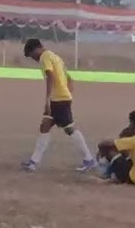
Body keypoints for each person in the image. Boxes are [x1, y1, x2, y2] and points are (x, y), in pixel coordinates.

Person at [20, 38, 97, 172]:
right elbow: (69, 77)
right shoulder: (56, 57)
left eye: (32, 55)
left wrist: (48, 99)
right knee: (45, 126)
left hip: (58, 100)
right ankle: (33, 162)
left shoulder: (45, 57)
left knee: (69, 129)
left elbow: (50, 76)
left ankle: (89, 159)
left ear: (36, 49)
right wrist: (68, 93)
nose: (34, 59)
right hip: (61, 97)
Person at [96, 110, 135, 186]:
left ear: (133, 124)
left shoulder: (134, 140)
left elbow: (107, 143)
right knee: (129, 157)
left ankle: (105, 173)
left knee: (110, 152)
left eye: (130, 123)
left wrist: (100, 147)